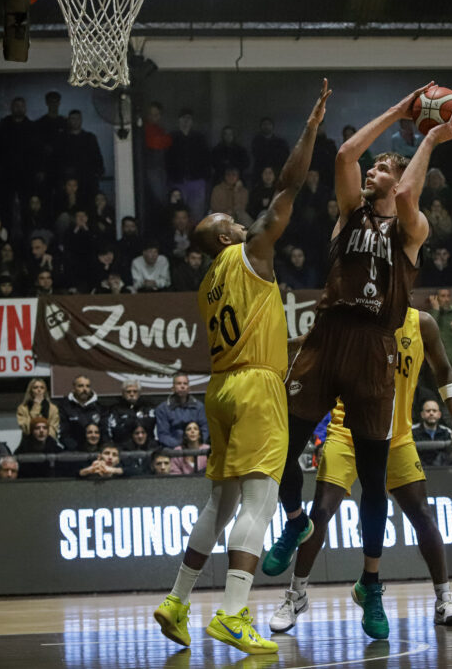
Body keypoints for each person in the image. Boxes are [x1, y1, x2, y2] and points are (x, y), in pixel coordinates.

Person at [266, 82, 452, 640]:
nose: (375, 168)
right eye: (376, 166)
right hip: (328, 336)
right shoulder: (349, 214)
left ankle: (371, 584)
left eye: (385, 166)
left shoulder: (410, 229)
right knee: (285, 450)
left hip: (374, 348)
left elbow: (406, 196)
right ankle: (295, 525)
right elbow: (344, 154)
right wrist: (401, 112)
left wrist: (426, 140)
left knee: (376, 484)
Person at [153, 80, 330, 656]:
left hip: (222, 386)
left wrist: (293, 337)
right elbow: (289, 185)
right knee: (257, 503)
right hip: (256, 388)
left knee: (219, 504)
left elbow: (255, 327)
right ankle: (233, 613)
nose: (237, 217)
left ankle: (177, 599)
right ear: (230, 234)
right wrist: (309, 131)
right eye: (229, 217)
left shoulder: (208, 281)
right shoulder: (251, 250)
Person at [268, 308, 452, 635]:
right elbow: (312, 343)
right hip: (345, 432)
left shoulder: (423, 324)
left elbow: (445, 370)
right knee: (321, 512)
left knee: (421, 512)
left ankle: (444, 598)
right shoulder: (356, 318)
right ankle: (296, 595)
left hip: (397, 436)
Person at [154, 373, 209, 448]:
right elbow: (163, 435)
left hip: (196, 447)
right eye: (179, 383)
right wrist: (180, 448)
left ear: (189, 388)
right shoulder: (162, 409)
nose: (182, 386)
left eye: (185, 384)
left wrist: (195, 444)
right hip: (172, 450)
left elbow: (205, 431)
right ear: (173, 388)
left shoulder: (199, 407)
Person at [57, 375, 105, 452]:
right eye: (80, 386)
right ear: (74, 388)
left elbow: (103, 432)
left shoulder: (99, 407)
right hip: (72, 453)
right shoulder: (64, 407)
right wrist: (77, 449)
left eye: (87, 386)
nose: (84, 389)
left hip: (95, 452)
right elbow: (63, 433)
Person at [105, 379, 157, 447]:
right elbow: (114, 431)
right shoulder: (115, 410)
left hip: (148, 448)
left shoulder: (149, 408)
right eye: (128, 392)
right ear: (123, 393)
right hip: (123, 448)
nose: (132, 394)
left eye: (135, 391)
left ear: (139, 393)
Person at [412, 398, 452, 467]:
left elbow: (451, 456)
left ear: (439, 414)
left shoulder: (447, 432)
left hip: (443, 472)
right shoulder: (412, 433)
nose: (431, 413)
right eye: (428, 411)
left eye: (434, 411)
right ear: (422, 414)